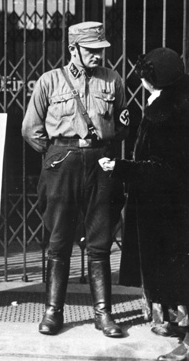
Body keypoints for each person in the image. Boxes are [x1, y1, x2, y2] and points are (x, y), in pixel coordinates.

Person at [22, 21, 130, 337]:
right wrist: (57, 155)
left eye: (101, 50)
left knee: (100, 241)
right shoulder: (49, 82)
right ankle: (54, 312)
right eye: (91, 50)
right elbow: (31, 129)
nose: (98, 55)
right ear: (73, 49)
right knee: (58, 241)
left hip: (101, 164)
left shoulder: (113, 80)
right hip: (62, 165)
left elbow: (124, 123)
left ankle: (103, 313)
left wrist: (102, 148)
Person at [99, 48, 189, 360]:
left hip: (167, 206)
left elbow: (164, 168)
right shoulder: (179, 98)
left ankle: (186, 345)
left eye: (144, 80)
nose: (142, 85)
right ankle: (176, 324)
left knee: (176, 268)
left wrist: (121, 167)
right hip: (174, 205)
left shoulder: (166, 111)